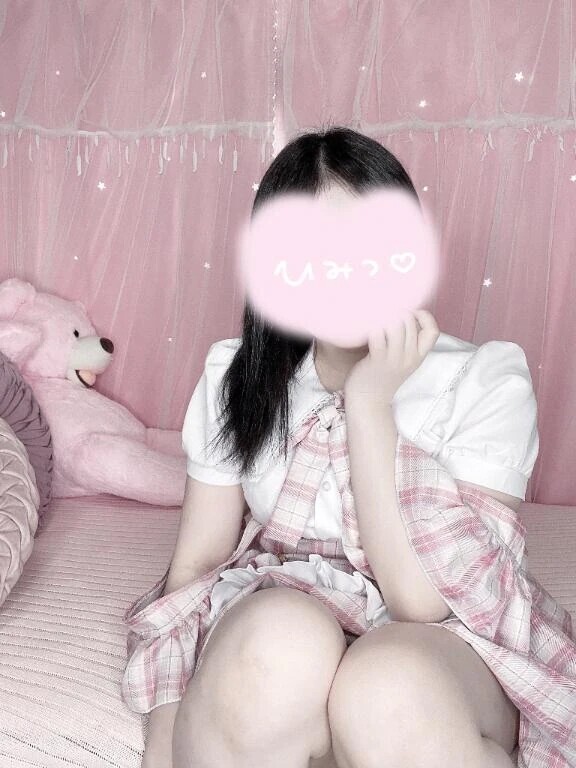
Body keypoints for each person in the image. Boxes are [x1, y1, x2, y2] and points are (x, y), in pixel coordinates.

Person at [124, 126, 540, 768]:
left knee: (385, 687)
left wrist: (369, 405)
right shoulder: (237, 374)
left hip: (444, 641)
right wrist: (165, 729)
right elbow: (196, 567)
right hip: (287, 625)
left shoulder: (485, 378)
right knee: (278, 638)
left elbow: (420, 603)